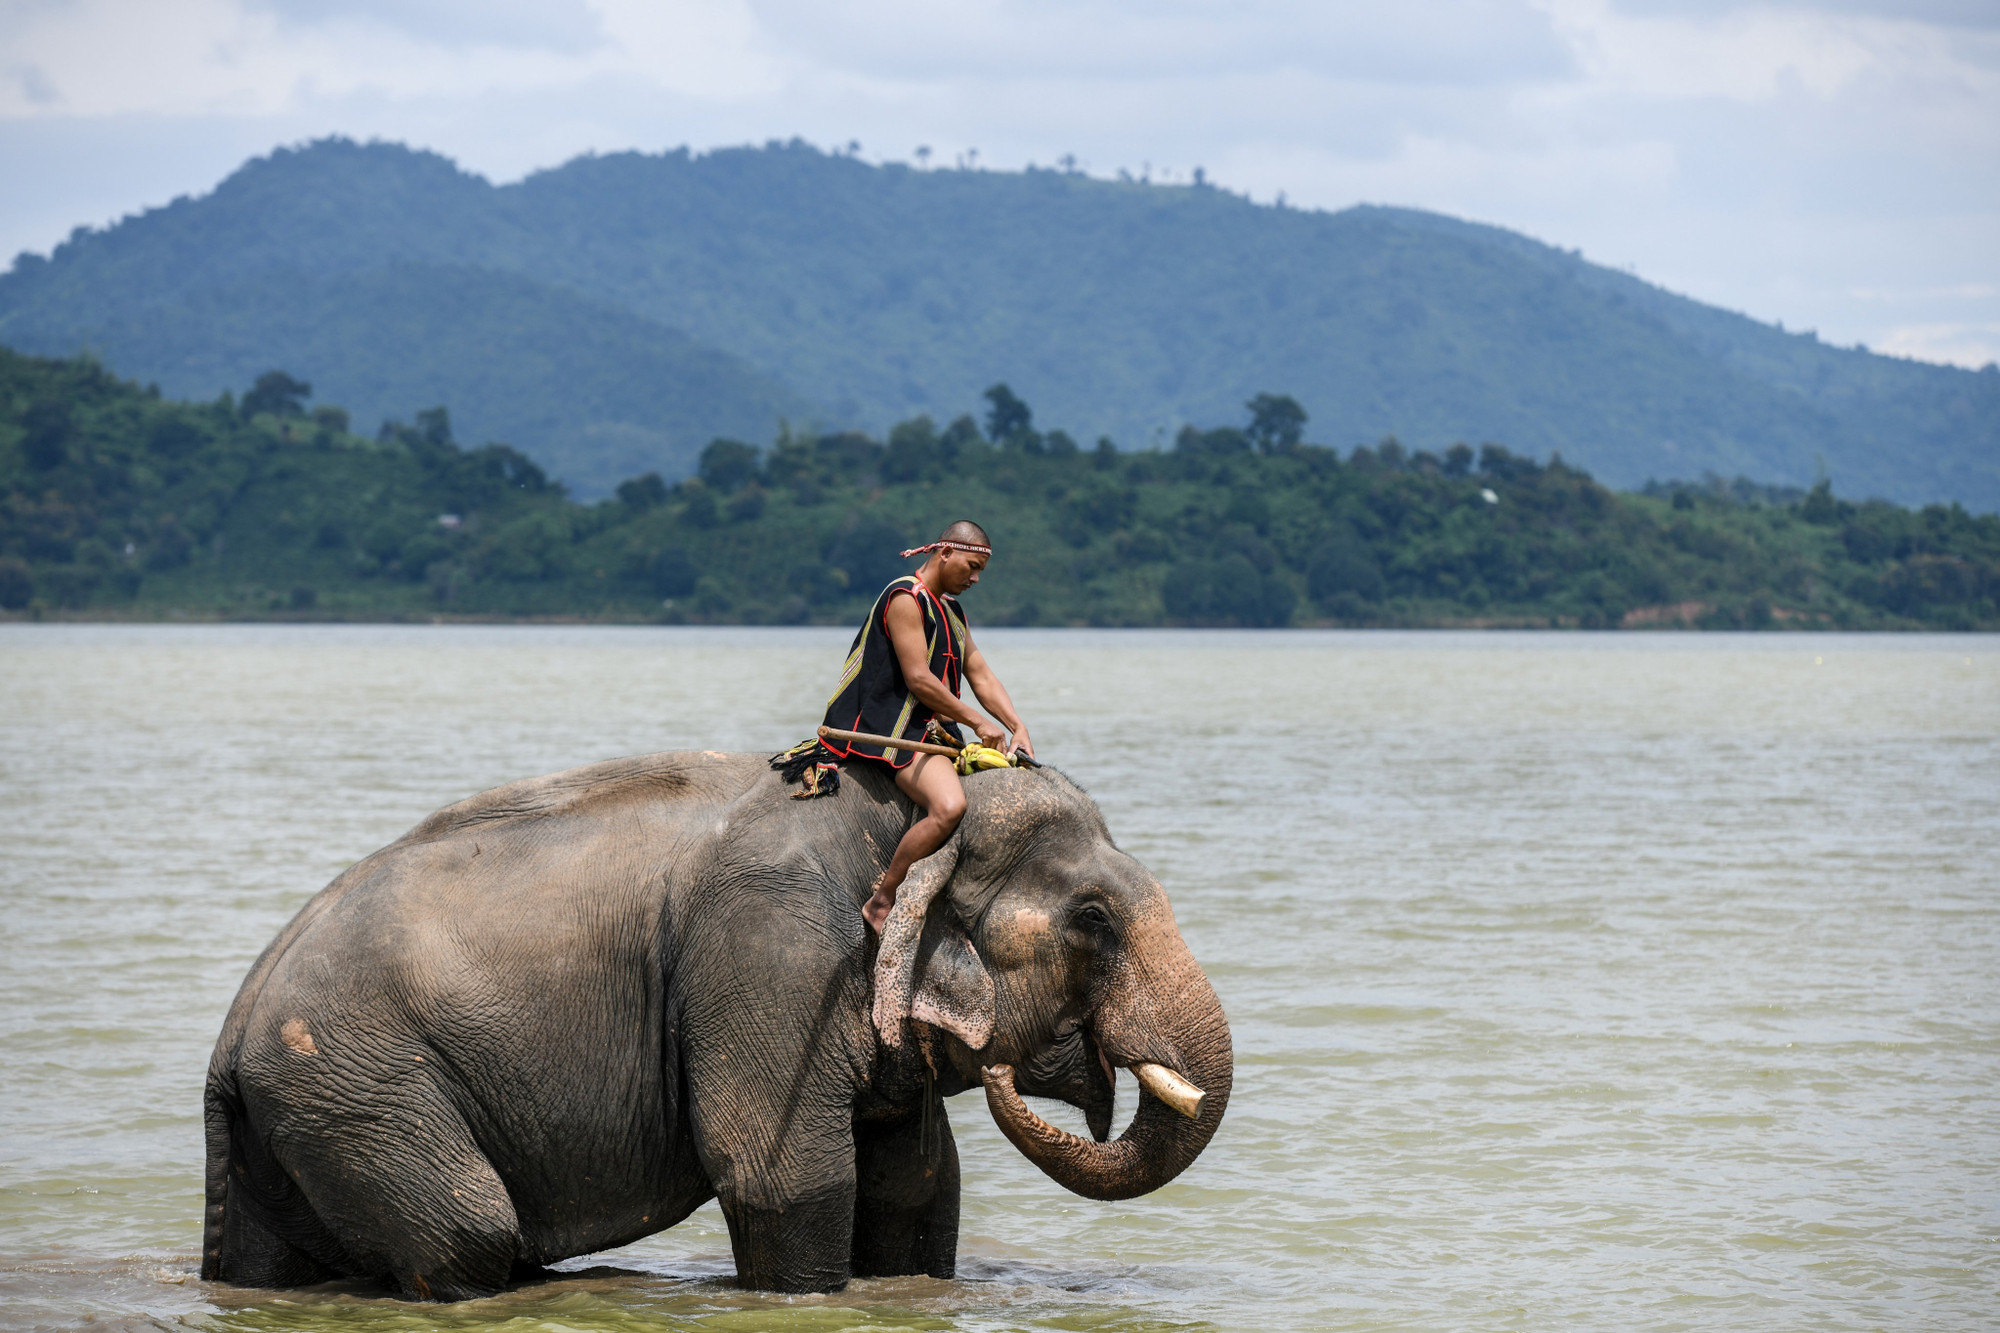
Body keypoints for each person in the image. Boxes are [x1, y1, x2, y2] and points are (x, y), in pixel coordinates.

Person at [819, 520, 1033, 932]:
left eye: (980, 573)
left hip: (932, 730)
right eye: (971, 567)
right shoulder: (905, 597)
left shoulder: (950, 611)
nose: (974, 579)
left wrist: (1016, 725)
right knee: (950, 806)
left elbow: (981, 675)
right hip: (895, 728)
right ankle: (883, 899)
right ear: (945, 552)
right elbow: (918, 678)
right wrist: (977, 721)